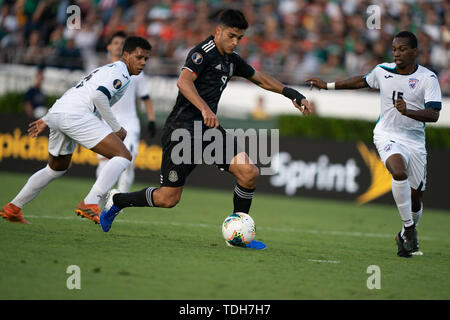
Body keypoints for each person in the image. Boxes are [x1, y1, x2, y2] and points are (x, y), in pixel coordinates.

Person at [100, 9, 312, 249]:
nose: (235, 42)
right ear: (218, 31)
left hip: (209, 130)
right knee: (168, 199)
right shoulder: (202, 53)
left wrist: (291, 93)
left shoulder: (232, 60)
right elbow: (184, 81)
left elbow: (260, 78)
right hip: (182, 130)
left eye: (239, 38)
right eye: (231, 36)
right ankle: (118, 200)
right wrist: (204, 109)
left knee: (249, 172)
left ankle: (237, 237)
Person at [306, 31, 442, 258]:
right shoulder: (383, 71)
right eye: (394, 49)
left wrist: (408, 111)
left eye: (402, 49)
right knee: (398, 172)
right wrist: (327, 85)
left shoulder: (428, 79)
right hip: (386, 134)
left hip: (415, 140)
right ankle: (409, 229)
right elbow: (361, 81)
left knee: (416, 197)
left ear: (414, 52)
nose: (397, 53)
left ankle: (404, 233)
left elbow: (434, 114)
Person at [0, 36, 152, 225]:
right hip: (76, 115)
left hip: (60, 112)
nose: (143, 63)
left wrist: (48, 118)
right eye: (139, 58)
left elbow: (77, 90)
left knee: (55, 168)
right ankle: (90, 202)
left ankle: (14, 207)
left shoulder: (104, 69)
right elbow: (98, 96)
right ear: (126, 54)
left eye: (146, 59)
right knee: (123, 156)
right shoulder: (120, 72)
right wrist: (116, 128)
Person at [96, 31, 156, 194]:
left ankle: (117, 203)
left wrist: (151, 120)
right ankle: (97, 200)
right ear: (108, 47)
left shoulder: (136, 73)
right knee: (104, 164)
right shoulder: (103, 71)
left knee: (128, 161)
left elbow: (146, 98)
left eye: (121, 43)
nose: (118, 46)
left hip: (129, 122)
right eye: (115, 43)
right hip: (107, 123)